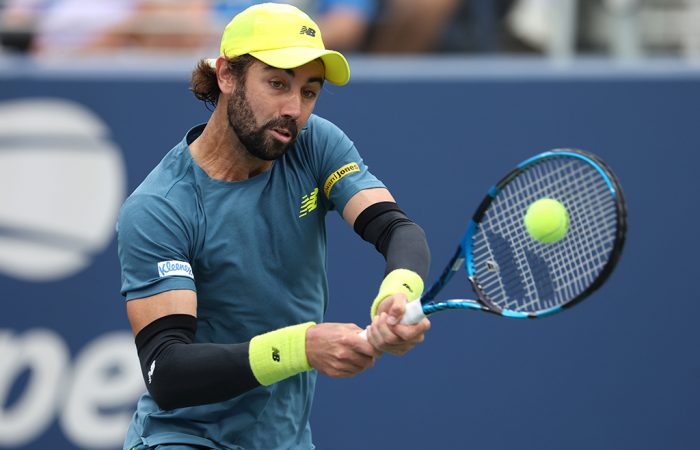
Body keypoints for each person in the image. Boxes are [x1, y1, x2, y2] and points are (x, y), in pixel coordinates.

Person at [116, 3, 431, 449]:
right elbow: (166, 371)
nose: (293, 109)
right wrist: (303, 347)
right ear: (226, 75)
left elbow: (397, 230)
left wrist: (398, 294)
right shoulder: (159, 209)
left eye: (309, 92)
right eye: (278, 83)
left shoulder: (315, 143)